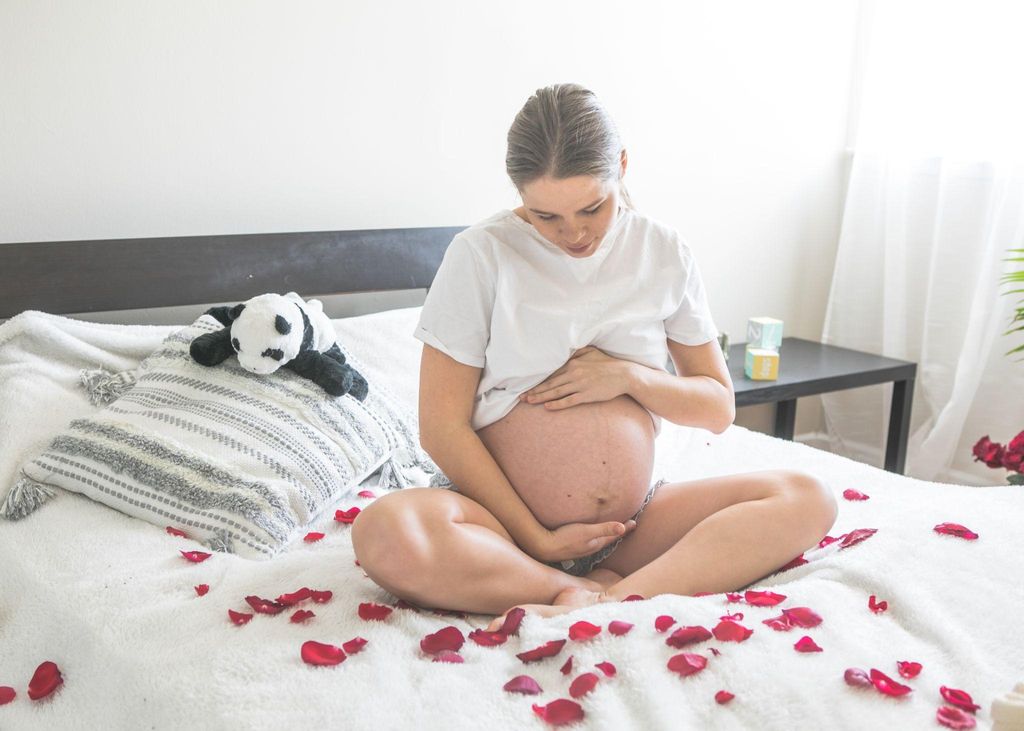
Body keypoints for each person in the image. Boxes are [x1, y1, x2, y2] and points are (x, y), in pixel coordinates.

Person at [351, 83, 837, 629]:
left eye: (591, 207)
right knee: (384, 531)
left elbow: (717, 407)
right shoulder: (480, 255)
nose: (573, 233)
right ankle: (574, 588)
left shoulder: (662, 250)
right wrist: (539, 538)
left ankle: (605, 599)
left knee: (806, 496)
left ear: (622, 167)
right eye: (545, 216)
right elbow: (441, 428)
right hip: (504, 531)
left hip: (633, 526)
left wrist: (628, 377)